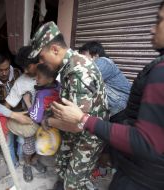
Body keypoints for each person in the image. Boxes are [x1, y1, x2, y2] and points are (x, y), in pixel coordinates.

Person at [51, 2, 164, 189]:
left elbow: (145, 141)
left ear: (93, 55)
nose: (152, 29)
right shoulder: (158, 66)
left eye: (159, 20)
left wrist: (83, 119)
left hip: (141, 173)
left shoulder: (100, 63)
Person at [29, 22, 109, 190]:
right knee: (61, 165)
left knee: (74, 182)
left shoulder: (77, 72)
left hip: (89, 137)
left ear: (55, 50)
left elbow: (78, 125)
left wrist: (49, 122)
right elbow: (68, 102)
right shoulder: (69, 66)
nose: (41, 63)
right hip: (74, 131)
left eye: (42, 57)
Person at [5, 46, 47, 182]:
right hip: (31, 121)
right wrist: (8, 117)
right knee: (28, 146)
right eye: (23, 67)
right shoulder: (21, 82)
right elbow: (8, 104)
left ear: (38, 63)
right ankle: (27, 164)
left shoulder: (50, 74)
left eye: (28, 67)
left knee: (42, 145)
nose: (25, 71)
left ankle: (35, 160)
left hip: (48, 120)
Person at [0, 52, 31, 167]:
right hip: (4, 116)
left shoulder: (18, 73)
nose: (4, 73)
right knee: (8, 143)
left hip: (20, 113)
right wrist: (12, 114)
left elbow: (25, 91)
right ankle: (14, 163)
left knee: (22, 141)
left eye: (6, 69)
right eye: (0, 70)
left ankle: (22, 159)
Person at [79, 41, 131, 122]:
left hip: (121, 109)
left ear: (95, 55)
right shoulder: (97, 64)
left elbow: (88, 81)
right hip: (116, 109)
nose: (82, 60)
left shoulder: (103, 61)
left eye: (84, 56)